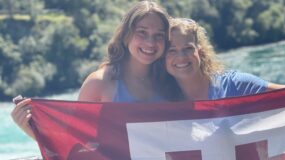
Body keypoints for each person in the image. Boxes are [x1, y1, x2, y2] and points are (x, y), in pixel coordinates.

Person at [11, 1, 170, 139]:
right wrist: (31, 128)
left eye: (159, 35)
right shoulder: (100, 83)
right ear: (125, 35)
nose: (151, 42)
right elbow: (73, 142)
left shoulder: (169, 81)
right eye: (142, 32)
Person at [164, 18, 285, 101]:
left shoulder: (235, 85)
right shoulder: (160, 101)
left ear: (199, 50)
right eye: (172, 50)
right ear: (162, 58)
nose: (181, 57)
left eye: (188, 48)